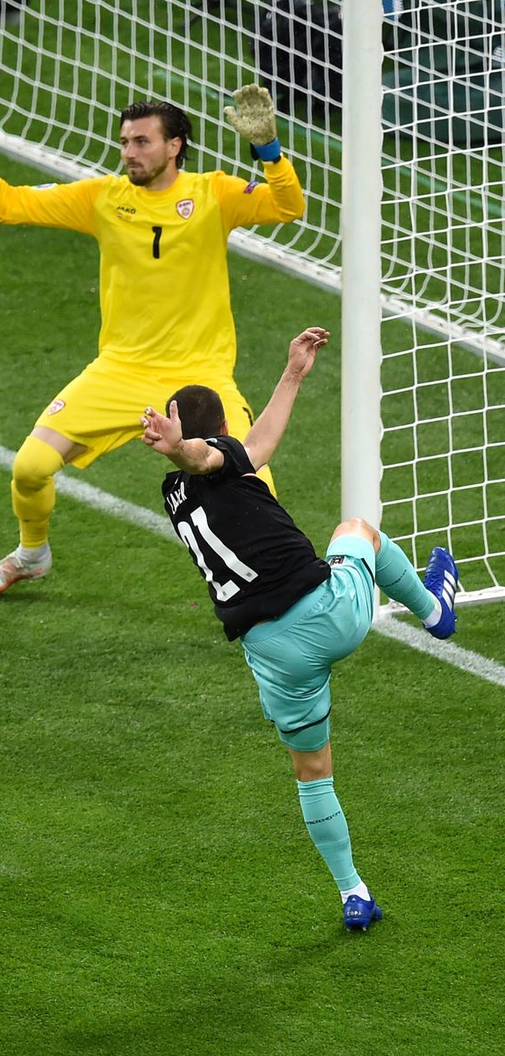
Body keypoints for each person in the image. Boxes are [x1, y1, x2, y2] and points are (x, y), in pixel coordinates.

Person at [0, 85, 306, 599]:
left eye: (142, 142)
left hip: (199, 375)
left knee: (254, 475)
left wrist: (269, 149)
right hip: (120, 370)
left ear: (175, 145)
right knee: (29, 467)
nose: (129, 153)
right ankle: (31, 555)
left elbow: (287, 206)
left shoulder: (215, 194)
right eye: (124, 142)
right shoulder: (103, 198)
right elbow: (9, 205)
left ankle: (287, 584)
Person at [140, 327, 458, 931]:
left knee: (313, 771)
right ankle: (434, 611)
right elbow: (225, 453)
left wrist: (187, 447)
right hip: (326, 610)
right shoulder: (211, 462)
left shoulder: (175, 492)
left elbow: (235, 452)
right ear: (219, 431)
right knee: (359, 529)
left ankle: (353, 892)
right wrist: (285, 379)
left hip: (270, 652)